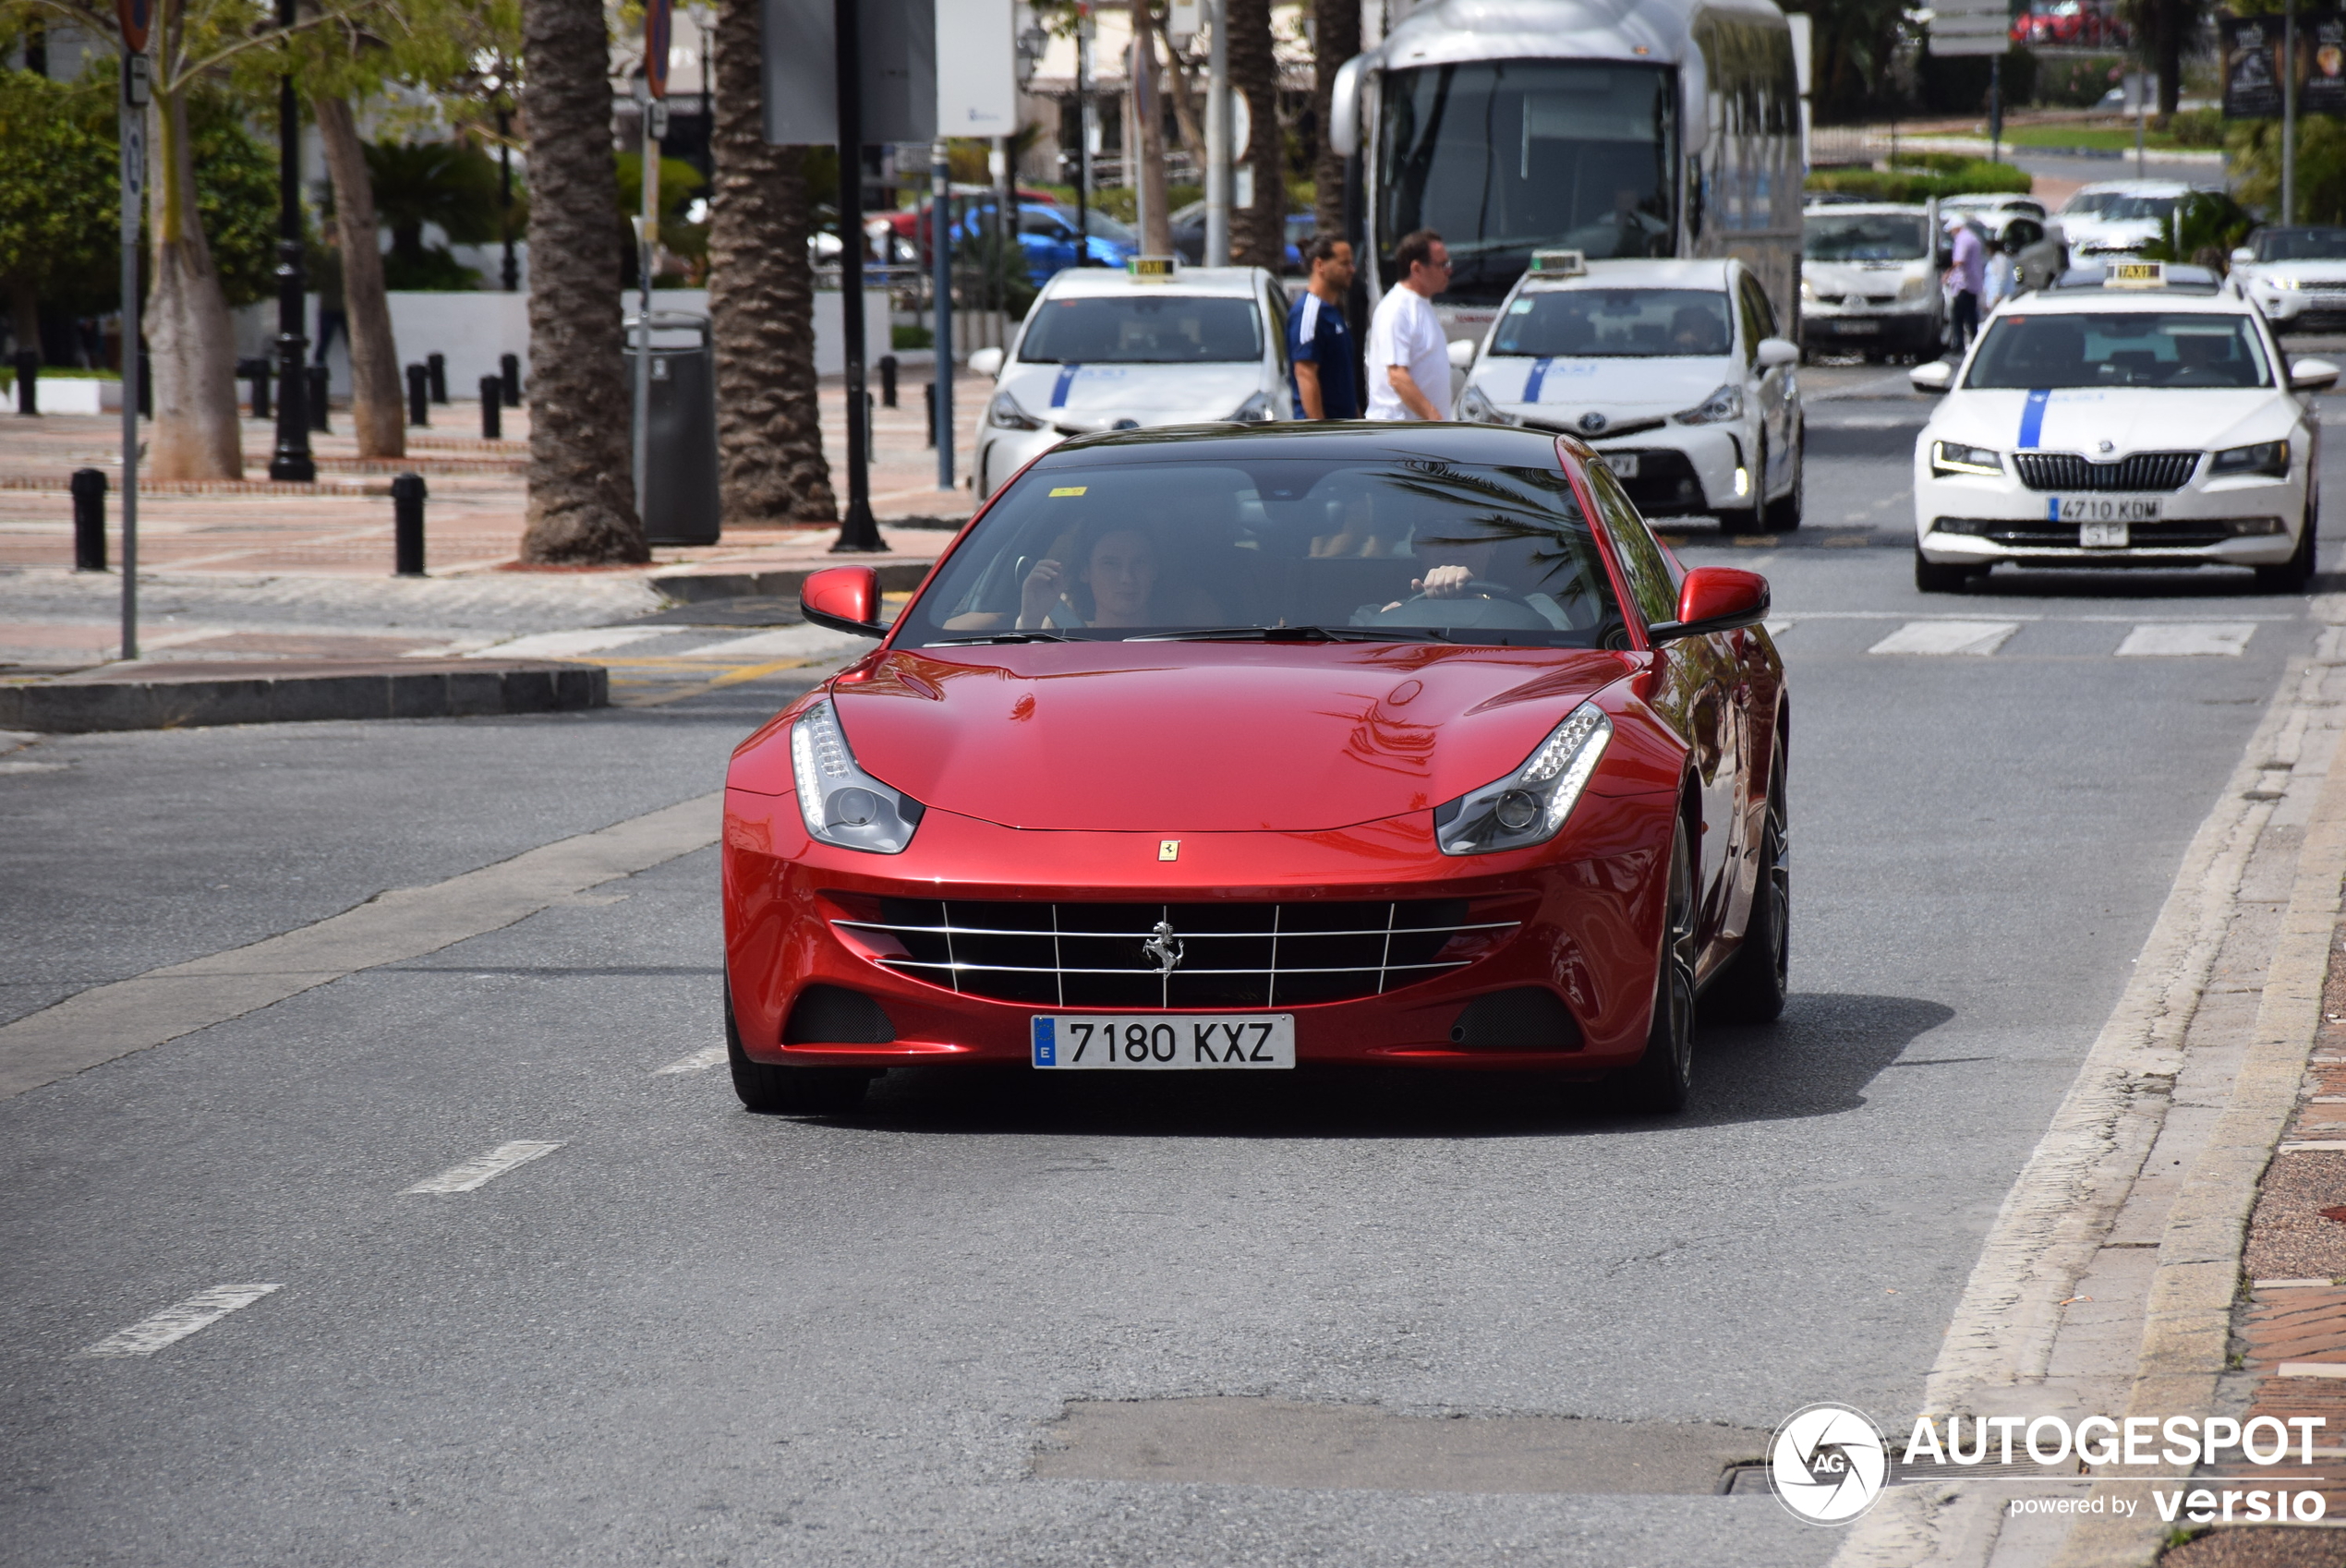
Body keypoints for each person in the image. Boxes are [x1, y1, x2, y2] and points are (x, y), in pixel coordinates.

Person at [1365, 229, 1452, 421]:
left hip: (1421, 435)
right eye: (1442, 265)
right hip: (1399, 436)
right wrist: (1436, 421)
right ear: (1417, 269)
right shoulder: (1397, 308)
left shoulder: (1422, 305)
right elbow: (1397, 376)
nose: (1449, 271)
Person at [1288, 236, 1360, 419]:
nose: (1352, 270)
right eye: (1344, 264)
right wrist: (1320, 434)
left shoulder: (1333, 312)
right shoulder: (1308, 312)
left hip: (1344, 432)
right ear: (1320, 265)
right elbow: (1305, 373)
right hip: (1324, 438)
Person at [1944, 213, 1986, 355]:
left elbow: (1959, 260)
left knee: (1958, 315)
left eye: (1952, 230)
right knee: (1971, 315)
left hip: (1963, 283)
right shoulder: (1973, 238)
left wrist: (1947, 273)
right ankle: (1975, 342)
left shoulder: (1962, 240)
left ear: (1957, 228)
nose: (1951, 233)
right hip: (1973, 282)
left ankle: (1959, 344)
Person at [312, 226, 346, 368]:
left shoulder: (322, 256)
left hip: (327, 305)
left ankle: (317, 372)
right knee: (354, 345)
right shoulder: (344, 255)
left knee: (323, 343)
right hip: (345, 306)